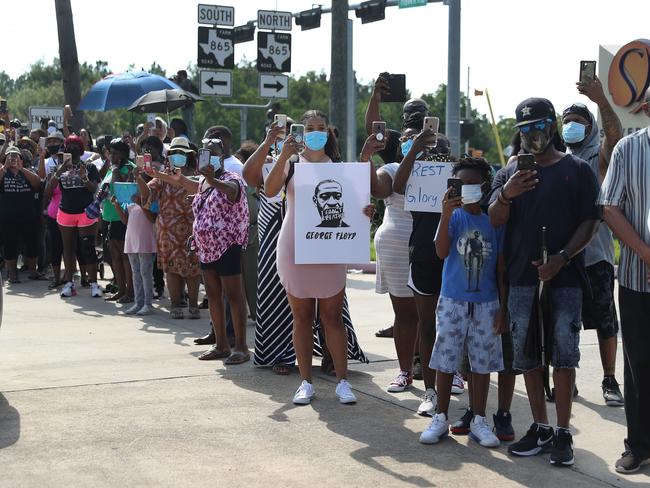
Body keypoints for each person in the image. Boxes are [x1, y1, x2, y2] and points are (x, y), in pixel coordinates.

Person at [489, 97, 600, 467]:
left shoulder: (578, 169)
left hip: (565, 278)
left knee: (564, 356)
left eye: (537, 128)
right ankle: (540, 426)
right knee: (527, 357)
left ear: (551, 126)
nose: (530, 137)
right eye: (523, 130)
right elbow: (494, 218)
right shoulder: (510, 172)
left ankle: (563, 432)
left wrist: (562, 258)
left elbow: (590, 221)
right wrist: (508, 193)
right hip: (522, 279)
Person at [265, 109, 370, 404]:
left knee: (332, 316)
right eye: (309, 127)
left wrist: (365, 212)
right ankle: (306, 382)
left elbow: (354, 206)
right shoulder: (292, 164)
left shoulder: (339, 168)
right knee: (301, 316)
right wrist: (284, 156)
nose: (314, 132)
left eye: (320, 127)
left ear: (328, 132)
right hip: (294, 247)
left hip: (329, 248)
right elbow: (270, 189)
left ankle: (342, 381)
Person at [420, 157, 506, 447]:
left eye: (473, 183)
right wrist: (445, 213)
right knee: (446, 360)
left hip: (486, 302)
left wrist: (502, 308)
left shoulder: (493, 220)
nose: (467, 189)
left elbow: (501, 268)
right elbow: (442, 252)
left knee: (481, 364)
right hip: (453, 300)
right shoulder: (453, 217)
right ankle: (441, 417)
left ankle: (479, 419)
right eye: (460, 183)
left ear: (485, 185)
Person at [154, 133, 251, 363]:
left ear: (222, 156)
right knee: (214, 296)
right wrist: (158, 175)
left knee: (234, 296)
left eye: (214, 154)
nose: (209, 158)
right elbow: (185, 183)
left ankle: (241, 347)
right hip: (206, 248)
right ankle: (221, 345)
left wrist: (213, 180)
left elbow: (231, 191)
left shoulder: (231, 177)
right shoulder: (204, 182)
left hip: (228, 246)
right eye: (205, 154)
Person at [561, 76, 624, 407]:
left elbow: (614, 137)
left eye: (578, 122)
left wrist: (601, 100)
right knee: (565, 322)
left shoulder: (597, 156)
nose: (571, 126)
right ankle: (566, 379)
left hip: (596, 255)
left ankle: (610, 379)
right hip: (564, 257)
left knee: (605, 322)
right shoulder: (555, 157)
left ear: (589, 127)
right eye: (567, 121)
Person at [599, 87, 650, 474]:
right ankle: (639, 445)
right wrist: (647, 253)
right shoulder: (628, 150)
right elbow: (610, 207)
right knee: (639, 367)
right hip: (638, 277)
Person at [393, 116, 454, 416]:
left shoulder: (459, 176)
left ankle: (453, 376)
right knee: (427, 326)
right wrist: (415, 149)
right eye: (430, 150)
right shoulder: (416, 174)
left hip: (455, 259)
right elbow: (397, 184)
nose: (435, 155)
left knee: (454, 327)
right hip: (423, 257)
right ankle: (430, 391)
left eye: (441, 150)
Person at [364, 127, 419, 394]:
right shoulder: (392, 169)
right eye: (408, 137)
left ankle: (448, 372)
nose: (413, 140)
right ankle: (405, 371)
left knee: (438, 314)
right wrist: (367, 158)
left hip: (432, 247)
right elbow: (377, 190)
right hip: (396, 248)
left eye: (419, 135)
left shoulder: (441, 167)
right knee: (406, 313)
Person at [138, 137, 201, 319]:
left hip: (193, 226)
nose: (177, 155)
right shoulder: (163, 175)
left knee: (193, 267)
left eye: (181, 152)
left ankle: (193, 304)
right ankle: (175, 305)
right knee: (172, 268)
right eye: (174, 152)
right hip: (168, 229)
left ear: (188, 155)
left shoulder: (198, 175)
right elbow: (148, 195)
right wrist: (139, 178)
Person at [52, 135, 103, 298]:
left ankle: (94, 284)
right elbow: (49, 188)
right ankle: (69, 283)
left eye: (75, 146)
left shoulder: (89, 167)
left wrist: (84, 177)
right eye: (69, 146)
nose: (72, 149)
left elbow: (94, 189)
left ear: (81, 150)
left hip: (85, 212)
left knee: (88, 248)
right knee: (68, 249)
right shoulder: (60, 167)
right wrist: (60, 171)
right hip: (66, 212)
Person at [0, 146, 43, 282]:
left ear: (21, 159)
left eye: (15, 156)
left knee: (32, 244)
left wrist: (20, 169)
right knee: (10, 245)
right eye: (10, 156)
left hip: (28, 216)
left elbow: (38, 182)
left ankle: (33, 271)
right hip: (8, 217)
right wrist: (5, 167)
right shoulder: (3, 172)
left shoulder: (26, 172)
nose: (13, 158)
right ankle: (12, 274)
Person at [111, 189, 157, 316]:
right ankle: (139, 302)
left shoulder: (150, 197)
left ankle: (148, 304)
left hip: (146, 240)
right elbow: (125, 220)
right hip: (132, 239)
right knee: (136, 273)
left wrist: (141, 203)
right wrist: (116, 205)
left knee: (145, 273)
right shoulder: (130, 199)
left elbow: (153, 218)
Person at [101, 139, 136, 303]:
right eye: (110, 152)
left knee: (125, 256)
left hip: (122, 216)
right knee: (115, 256)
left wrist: (115, 171)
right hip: (109, 216)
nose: (112, 155)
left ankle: (130, 291)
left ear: (123, 154)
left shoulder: (129, 168)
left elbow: (120, 189)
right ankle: (121, 289)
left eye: (115, 152)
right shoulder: (111, 167)